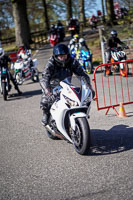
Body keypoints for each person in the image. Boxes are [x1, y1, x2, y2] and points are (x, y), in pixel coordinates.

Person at [40, 43, 95, 126]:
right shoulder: (51, 63)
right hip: (52, 86)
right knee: (45, 101)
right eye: (61, 56)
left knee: (82, 98)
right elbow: (44, 78)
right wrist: (48, 91)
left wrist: (88, 86)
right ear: (56, 56)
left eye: (65, 56)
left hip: (67, 84)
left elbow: (82, 74)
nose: (63, 58)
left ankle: (82, 112)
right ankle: (46, 114)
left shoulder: (72, 61)